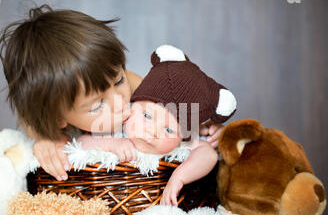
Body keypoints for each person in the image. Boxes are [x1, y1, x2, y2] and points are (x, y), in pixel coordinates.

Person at [0, 5, 224, 181]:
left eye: (118, 81)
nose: (120, 102)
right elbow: (31, 116)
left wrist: (200, 124)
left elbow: (169, 110)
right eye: (97, 105)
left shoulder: (135, 85)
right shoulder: (48, 116)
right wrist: (45, 138)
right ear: (58, 118)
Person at [77, 45, 237, 205]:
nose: (152, 131)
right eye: (147, 115)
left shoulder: (179, 144)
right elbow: (80, 143)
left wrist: (179, 177)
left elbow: (208, 154)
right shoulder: (119, 124)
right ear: (132, 106)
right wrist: (111, 144)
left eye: (168, 129)